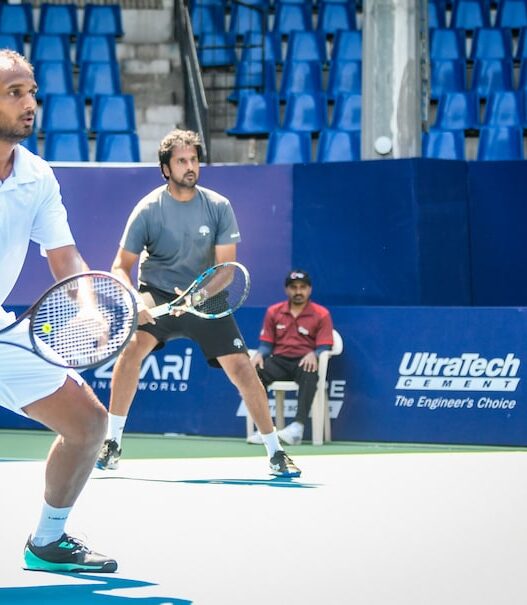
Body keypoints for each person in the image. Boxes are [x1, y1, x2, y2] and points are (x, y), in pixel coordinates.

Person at [95, 128, 301, 478]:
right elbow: (121, 266)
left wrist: (196, 297)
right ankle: (112, 442)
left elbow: (226, 271)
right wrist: (135, 300)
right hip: (157, 293)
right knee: (132, 350)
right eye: (181, 161)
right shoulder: (147, 209)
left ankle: (275, 452)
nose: (190, 166)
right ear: (165, 168)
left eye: (193, 160)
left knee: (242, 368)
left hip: (205, 296)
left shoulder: (218, 206)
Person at [0, 50, 117, 572]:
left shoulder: (37, 176)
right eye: (14, 94)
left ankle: (47, 541)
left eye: (32, 94)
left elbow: (64, 256)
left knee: (89, 424)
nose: (30, 106)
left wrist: (89, 307)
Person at [248, 270, 334, 445]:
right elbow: (266, 345)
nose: (298, 291)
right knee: (254, 372)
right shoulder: (274, 311)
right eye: (294, 287)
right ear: (287, 290)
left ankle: (297, 427)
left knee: (310, 369)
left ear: (309, 289)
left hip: (303, 361)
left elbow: (325, 346)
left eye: (303, 287)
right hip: (280, 361)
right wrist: (259, 354)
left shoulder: (321, 313)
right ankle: (265, 429)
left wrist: (314, 354)